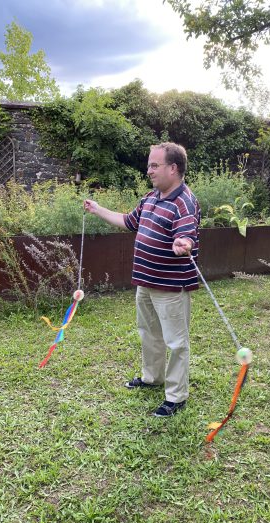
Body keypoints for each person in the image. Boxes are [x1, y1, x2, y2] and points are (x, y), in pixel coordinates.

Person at [84, 142, 200, 417]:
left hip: (171, 287)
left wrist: (182, 243)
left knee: (176, 342)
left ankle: (176, 396)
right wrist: (97, 209)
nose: (149, 170)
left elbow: (187, 235)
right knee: (149, 334)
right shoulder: (150, 198)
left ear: (173, 168)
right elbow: (128, 221)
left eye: (154, 165)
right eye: (149, 165)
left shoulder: (185, 202)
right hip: (146, 282)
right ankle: (152, 378)